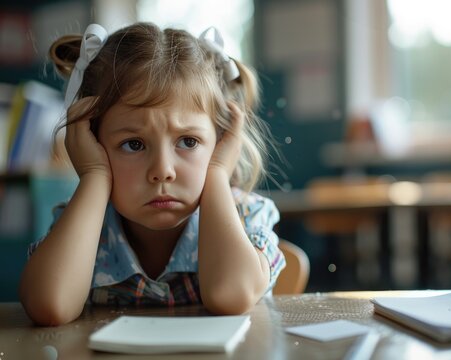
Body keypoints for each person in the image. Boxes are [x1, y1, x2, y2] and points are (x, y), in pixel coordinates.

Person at [18, 22, 285, 326]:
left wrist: (217, 174)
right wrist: (93, 174)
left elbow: (230, 295)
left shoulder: (248, 215)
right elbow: (49, 306)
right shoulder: (83, 222)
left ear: (221, 141)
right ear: (92, 142)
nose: (162, 171)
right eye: (134, 144)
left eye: (188, 141)